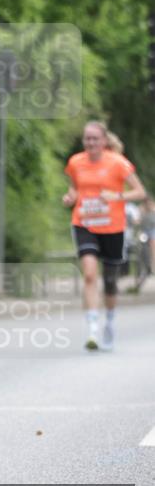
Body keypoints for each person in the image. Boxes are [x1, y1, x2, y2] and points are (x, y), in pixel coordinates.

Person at [63, 121, 145, 351]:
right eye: (87, 139)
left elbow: (140, 192)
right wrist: (70, 197)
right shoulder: (75, 162)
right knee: (89, 274)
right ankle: (92, 329)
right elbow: (74, 188)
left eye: (95, 139)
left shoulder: (118, 163)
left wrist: (117, 197)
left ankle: (109, 319)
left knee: (110, 281)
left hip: (112, 227)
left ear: (104, 141)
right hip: (84, 223)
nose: (90, 143)